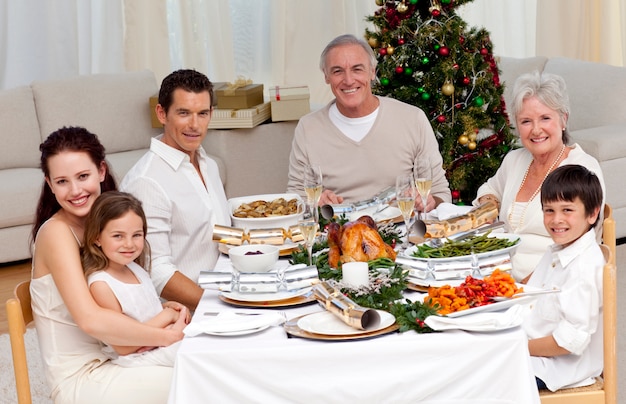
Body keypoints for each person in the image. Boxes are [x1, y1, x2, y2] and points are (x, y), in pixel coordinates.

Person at [31, 127, 186, 403]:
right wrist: (164, 337)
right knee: (197, 378)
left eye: (83, 176)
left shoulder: (106, 226)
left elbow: (121, 300)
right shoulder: (56, 233)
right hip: (83, 375)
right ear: (50, 184)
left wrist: (164, 314)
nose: (76, 190)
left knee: (205, 361)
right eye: (62, 181)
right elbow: (90, 319)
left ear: (101, 171)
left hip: (119, 356)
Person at [287, 33, 451, 210]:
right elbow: (295, 197)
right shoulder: (308, 127)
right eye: (337, 71)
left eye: (357, 69)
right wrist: (313, 203)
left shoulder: (412, 119)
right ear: (326, 76)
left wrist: (430, 202)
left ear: (372, 72)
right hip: (338, 231)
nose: (349, 80)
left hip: (401, 230)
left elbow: (440, 192)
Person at [473, 71, 605, 282]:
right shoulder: (515, 160)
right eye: (526, 121)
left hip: (548, 285)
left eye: (545, 118)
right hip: (497, 278)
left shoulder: (581, 170)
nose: (536, 130)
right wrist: (489, 206)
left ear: (563, 120)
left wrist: (522, 288)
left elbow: (578, 248)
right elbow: (489, 189)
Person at [121, 69, 230, 310]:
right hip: (186, 312)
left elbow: (219, 232)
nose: (195, 125)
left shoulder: (208, 164)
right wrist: (219, 306)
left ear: (211, 113)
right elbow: (156, 271)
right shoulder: (147, 182)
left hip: (224, 289)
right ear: (162, 113)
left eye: (202, 113)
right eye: (183, 113)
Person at [82, 191, 190, 367]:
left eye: (137, 235)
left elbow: (138, 313)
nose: (129, 244)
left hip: (155, 342)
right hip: (135, 358)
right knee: (196, 356)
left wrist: (164, 307)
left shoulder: (134, 267)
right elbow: (122, 345)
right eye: (118, 236)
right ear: (97, 237)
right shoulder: (102, 285)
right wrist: (168, 316)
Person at [523, 164, 604, 392]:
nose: (556, 219)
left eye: (567, 210)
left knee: (473, 375)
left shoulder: (583, 268)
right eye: (549, 210)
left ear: (592, 213)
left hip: (555, 368)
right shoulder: (560, 250)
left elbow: (569, 341)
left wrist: (517, 347)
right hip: (536, 349)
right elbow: (531, 290)